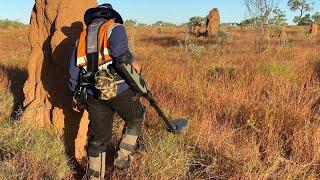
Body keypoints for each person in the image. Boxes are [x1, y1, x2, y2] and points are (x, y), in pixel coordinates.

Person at [68, 3, 146, 179]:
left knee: (98, 139)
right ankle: (122, 159)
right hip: (119, 89)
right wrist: (133, 62)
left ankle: (94, 176)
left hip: (92, 94)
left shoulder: (81, 37)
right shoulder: (114, 28)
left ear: (94, 17)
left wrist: (75, 94)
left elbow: (73, 71)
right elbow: (119, 51)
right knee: (136, 116)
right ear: (110, 16)